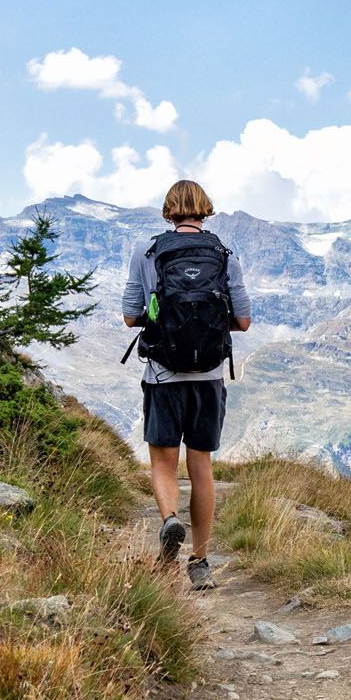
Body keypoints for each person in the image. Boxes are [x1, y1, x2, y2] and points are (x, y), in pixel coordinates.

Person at [122, 179, 251, 590]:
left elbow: (129, 316)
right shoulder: (225, 255)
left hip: (162, 375)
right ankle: (199, 561)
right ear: (205, 209)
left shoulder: (147, 252)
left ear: (169, 210)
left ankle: (169, 520)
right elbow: (244, 320)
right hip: (209, 377)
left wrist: (163, 322)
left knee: (162, 463)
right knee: (201, 468)